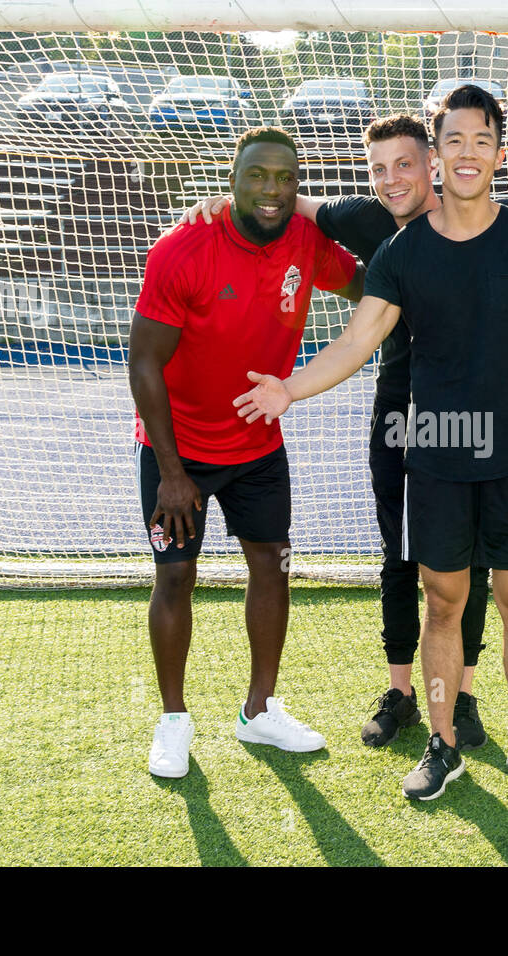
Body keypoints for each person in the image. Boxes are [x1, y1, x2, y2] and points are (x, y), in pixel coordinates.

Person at [182, 115, 508, 752]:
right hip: (411, 424)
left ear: (437, 163)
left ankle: (479, 704)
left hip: (501, 437)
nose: (391, 179)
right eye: (379, 169)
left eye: (405, 164)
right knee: (415, 565)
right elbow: (318, 257)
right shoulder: (385, 232)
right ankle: (410, 698)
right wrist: (222, 201)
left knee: (502, 583)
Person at [129, 127, 363, 778]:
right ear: (231, 179)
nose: (272, 190)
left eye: (286, 178)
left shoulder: (307, 241)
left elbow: (368, 283)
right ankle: (174, 719)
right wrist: (172, 475)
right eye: (257, 175)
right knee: (176, 575)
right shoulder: (183, 249)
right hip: (178, 450)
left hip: (259, 445)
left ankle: (259, 711)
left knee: (272, 564)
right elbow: (144, 363)